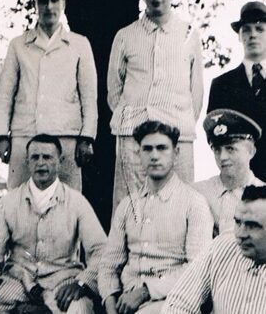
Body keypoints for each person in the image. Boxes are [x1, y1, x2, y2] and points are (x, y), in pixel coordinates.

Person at [107, 0, 204, 213]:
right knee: (131, 206)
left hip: (178, 134)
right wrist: (132, 116)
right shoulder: (125, 35)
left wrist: (178, 120)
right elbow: (114, 90)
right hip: (132, 135)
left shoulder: (188, 34)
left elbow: (196, 91)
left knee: (179, 206)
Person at [0, 134, 106, 313]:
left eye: (47, 157)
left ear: (59, 161)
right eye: (35, 157)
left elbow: (101, 251)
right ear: (27, 162)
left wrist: (82, 283)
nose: (41, 163)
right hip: (18, 280)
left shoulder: (76, 202)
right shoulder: (9, 202)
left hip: (62, 280)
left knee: (78, 308)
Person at [0, 0, 98, 191]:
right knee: (19, 199)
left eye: (54, 0)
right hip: (25, 137)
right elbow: (5, 95)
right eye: (42, 1)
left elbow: (89, 98)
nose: (49, 7)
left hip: (66, 138)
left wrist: (87, 137)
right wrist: (1, 136)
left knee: (67, 200)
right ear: (35, 4)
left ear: (64, 2)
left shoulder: (79, 44)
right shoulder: (18, 45)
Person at [98, 121, 213, 314]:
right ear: (138, 154)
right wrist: (110, 305)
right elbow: (108, 265)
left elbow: (197, 269)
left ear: (176, 153)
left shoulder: (194, 203)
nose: (154, 156)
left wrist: (146, 291)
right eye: (147, 149)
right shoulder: (127, 205)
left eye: (162, 148)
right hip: (125, 302)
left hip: (174, 302)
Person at [162, 185, 266, 314]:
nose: (240, 234)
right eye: (238, 222)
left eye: (253, 225)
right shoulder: (222, 246)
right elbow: (178, 304)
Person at [208, 1, 266, 181]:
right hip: (239, 181)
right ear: (239, 36)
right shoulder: (221, 84)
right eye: (246, 30)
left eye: (259, 29)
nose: (252, 35)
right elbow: (215, 137)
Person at [194, 108, 264, 236]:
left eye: (230, 149)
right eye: (217, 149)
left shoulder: (263, 196)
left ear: (251, 152)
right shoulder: (198, 193)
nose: (222, 157)